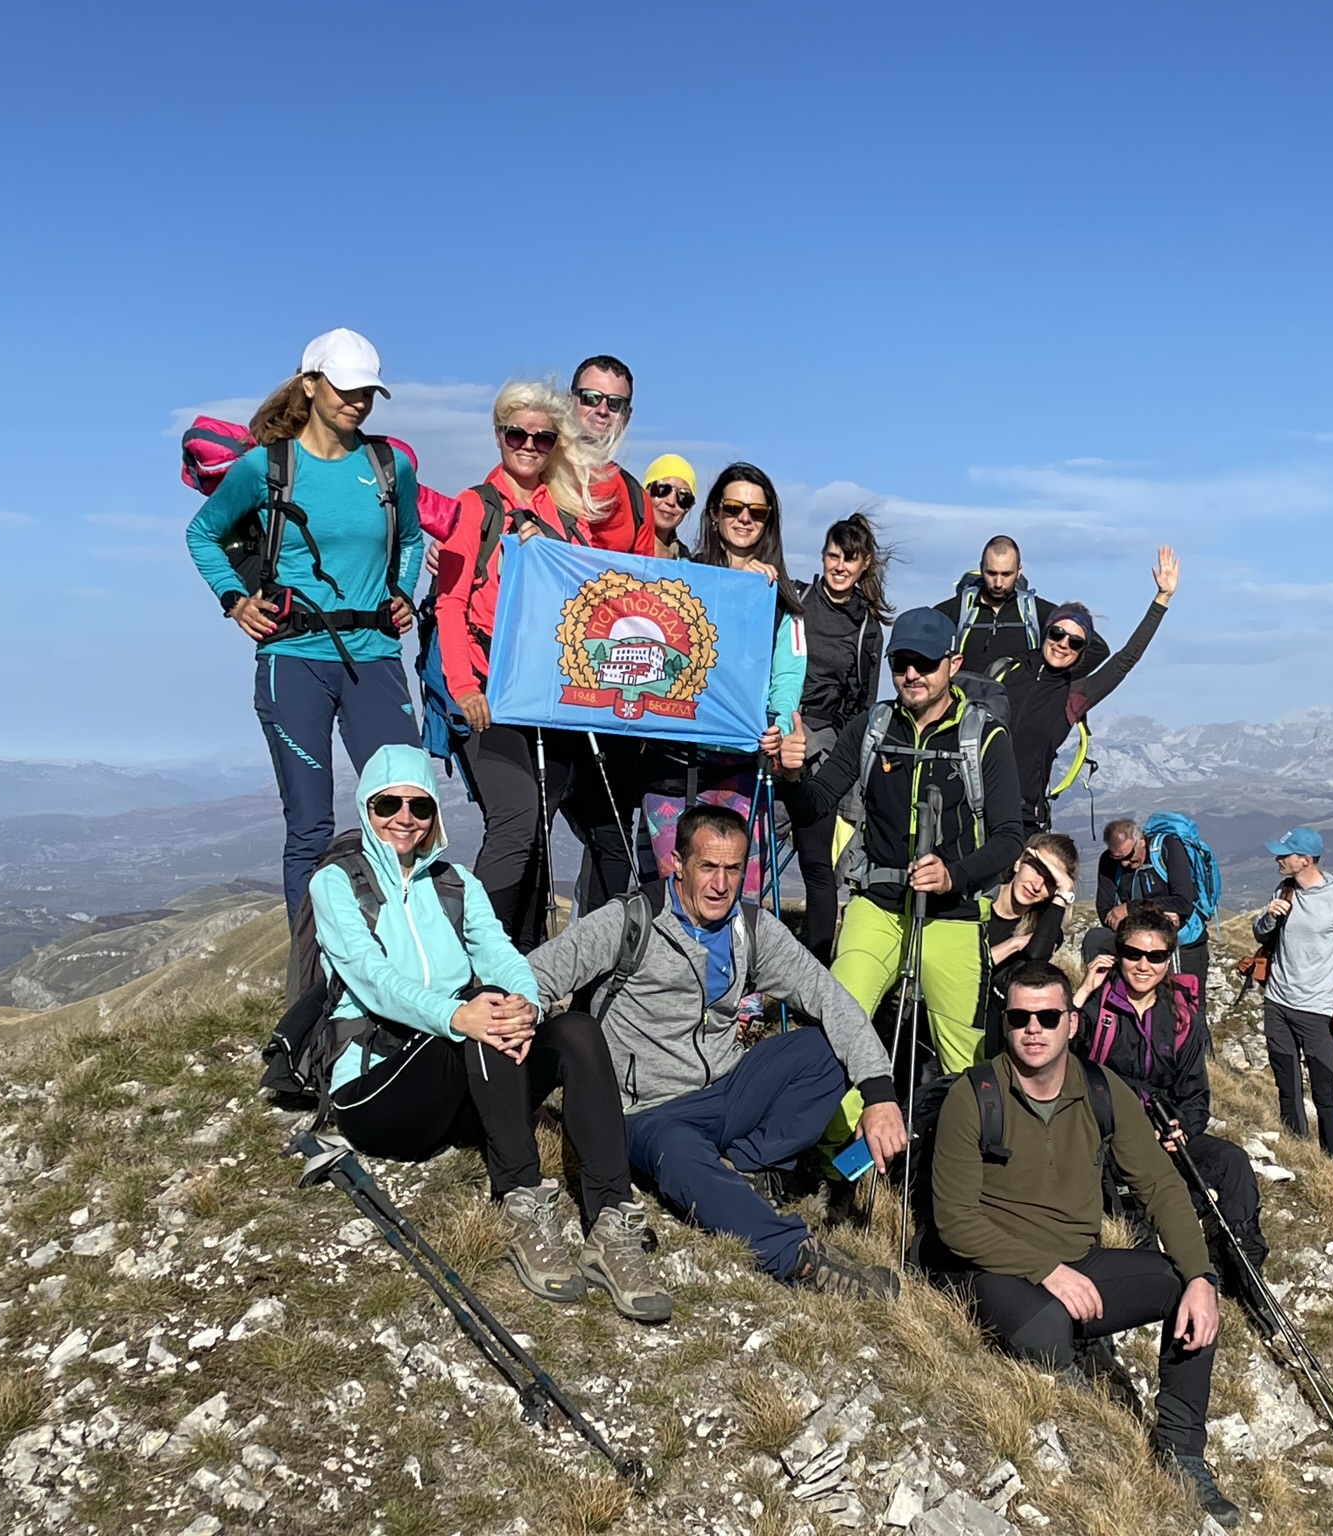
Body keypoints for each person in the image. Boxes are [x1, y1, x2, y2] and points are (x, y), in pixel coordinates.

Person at [311, 745, 670, 1323]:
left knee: (575, 1029)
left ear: (434, 813)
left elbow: (502, 956)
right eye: (387, 804)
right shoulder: (335, 884)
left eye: (419, 806)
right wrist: (460, 1016)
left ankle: (611, 1221)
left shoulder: (457, 883)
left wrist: (527, 1006)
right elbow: (373, 981)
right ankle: (521, 1202)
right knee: (483, 1012)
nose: (404, 818)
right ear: (365, 807)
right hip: (376, 1091)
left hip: (460, 1082)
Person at [526, 804, 905, 1298]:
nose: (721, 884)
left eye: (733, 868)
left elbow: (830, 999)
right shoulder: (630, 920)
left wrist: (879, 1092)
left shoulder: (752, 928)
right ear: (677, 864)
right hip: (649, 1111)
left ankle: (747, 1166)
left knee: (823, 1050)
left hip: (727, 1089)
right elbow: (535, 976)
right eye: (707, 866)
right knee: (681, 1156)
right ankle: (797, 1258)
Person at [930, 961, 1239, 1523]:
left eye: (1048, 1017)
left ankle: (1182, 1451)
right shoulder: (975, 1096)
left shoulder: (1101, 1089)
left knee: (1186, 1292)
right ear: (1005, 1022)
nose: (1033, 1029)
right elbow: (954, 1221)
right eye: (1020, 1017)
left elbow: (1161, 1185)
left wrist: (1201, 1276)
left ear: (1071, 1022)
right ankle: (1070, 1373)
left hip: (1080, 1261)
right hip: (996, 1268)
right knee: (1048, 1329)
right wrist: (1047, 1271)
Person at [185, 329, 423, 922]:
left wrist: (401, 593)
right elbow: (202, 534)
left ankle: (402, 954)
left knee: (405, 813)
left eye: (368, 392)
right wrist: (235, 601)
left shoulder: (390, 466)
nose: (358, 402)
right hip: (292, 660)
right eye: (346, 389)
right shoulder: (266, 467)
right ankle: (312, 965)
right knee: (311, 825)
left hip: (374, 657)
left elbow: (411, 539)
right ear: (311, 385)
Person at [779, 606, 1024, 1147]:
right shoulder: (871, 727)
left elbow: (1010, 837)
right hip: (877, 906)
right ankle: (831, 1155)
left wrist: (953, 875)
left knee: (966, 1058)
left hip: (954, 915)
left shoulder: (985, 738)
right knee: (838, 1029)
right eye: (900, 663)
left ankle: (960, 1165)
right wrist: (790, 777)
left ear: (953, 664)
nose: (911, 674)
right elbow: (816, 805)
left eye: (925, 663)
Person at [431, 380, 631, 946]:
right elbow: (449, 603)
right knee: (517, 819)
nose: (528, 445)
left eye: (542, 438)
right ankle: (474, 953)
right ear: (498, 435)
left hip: (550, 697)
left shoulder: (570, 516)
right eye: (516, 433)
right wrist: (463, 686)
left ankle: (522, 957)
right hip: (487, 691)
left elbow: (589, 602)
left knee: (538, 830)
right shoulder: (475, 506)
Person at [1074, 906, 1269, 1283]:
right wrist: (1082, 992)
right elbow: (1056, 1050)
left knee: (1231, 1161)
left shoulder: (1181, 1016)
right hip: (1107, 1138)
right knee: (1130, 1203)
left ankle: (1243, 1262)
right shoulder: (1096, 1006)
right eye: (1133, 953)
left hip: (1163, 1137)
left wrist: (1182, 1128)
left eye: (1156, 956)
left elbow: (1195, 1094)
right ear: (1118, 953)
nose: (1143, 965)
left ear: (1169, 959)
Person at [639, 464, 807, 898]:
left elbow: (787, 679)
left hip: (742, 771)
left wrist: (779, 728)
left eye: (757, 511)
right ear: (714, 513)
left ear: (769, 521)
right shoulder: (682, 576)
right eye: (733, 507)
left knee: (735, 898)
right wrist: (730, 588)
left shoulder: (782, 600)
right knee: (674, 897)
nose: (744, 518)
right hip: (671, 766)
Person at [995, 549, 1180, 832]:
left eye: (1075, 642)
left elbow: (1125, 660)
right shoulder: (1004, 671)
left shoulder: (1074, 696)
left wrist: (1162, 599)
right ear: (1046, 631)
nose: (1063, 644)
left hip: (1022, 819)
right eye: (1057, 634)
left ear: (1082, 651)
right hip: (971, 808)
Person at [793, 512, 893, 963]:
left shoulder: (868, 628)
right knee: (753, 854)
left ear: (864, 564)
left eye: (849, 559)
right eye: (833, 556)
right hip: (775, 733)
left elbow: (864, 706)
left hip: (824, 751)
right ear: (822, 556)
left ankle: (815, 968)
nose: (839, 566)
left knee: (817, 864)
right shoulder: (795, 600)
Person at [1252, 827, 1333, 1161]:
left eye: (1285, 855)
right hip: (1277, 1003)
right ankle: (1297, 1154)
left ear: (1305, 860)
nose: (1278, 859)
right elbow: (1261, 934)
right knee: (1286, 1085)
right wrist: (1268, 918)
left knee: (1324, 1094)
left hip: (1318, 1012)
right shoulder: (1285, 889)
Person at [935, 536, 1108, 678]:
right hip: (966, 708)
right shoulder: (953, 612)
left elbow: (1097, 649)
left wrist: (1053, 682)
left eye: (1006, 574)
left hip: (1021, 709)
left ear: (1019, 571)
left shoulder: (1036, 612)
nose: (998, 583)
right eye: (991, 573)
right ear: (981, 569)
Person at [980, 833, 1078, 1052]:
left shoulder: (1045, 930)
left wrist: (1064, 893)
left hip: (993, 1035)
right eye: (1037, 869)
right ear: (1018, 862)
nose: (1037, 885)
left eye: (1050, 882)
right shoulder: (975, 901)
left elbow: (1036, 957)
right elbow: (961, 968)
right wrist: (1014, 944)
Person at [1096, 817, 1207, 984]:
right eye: (1118, 858)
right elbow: (1106, 913)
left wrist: (1130, 909)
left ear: (1141, 840)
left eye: (1129, 855)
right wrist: (1157, 915)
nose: (1125, 863)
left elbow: (1183, 903)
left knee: (1187, 997)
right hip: (1137, 949)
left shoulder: (1168, 848)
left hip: (1184, 945)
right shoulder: (1108, 862)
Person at [570, 355, 654, 557]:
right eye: (590, 398)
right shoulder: (536, 470)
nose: (602, 410)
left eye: (615, 403)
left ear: (627, 415)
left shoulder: (637, 501)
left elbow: (642, 574)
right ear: (569, 401)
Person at [642, 453, 698, 560]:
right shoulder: (620, 543)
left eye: (684, 497)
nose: (671, 501)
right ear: (645, 492)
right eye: (662, 489)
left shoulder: (685, 560)